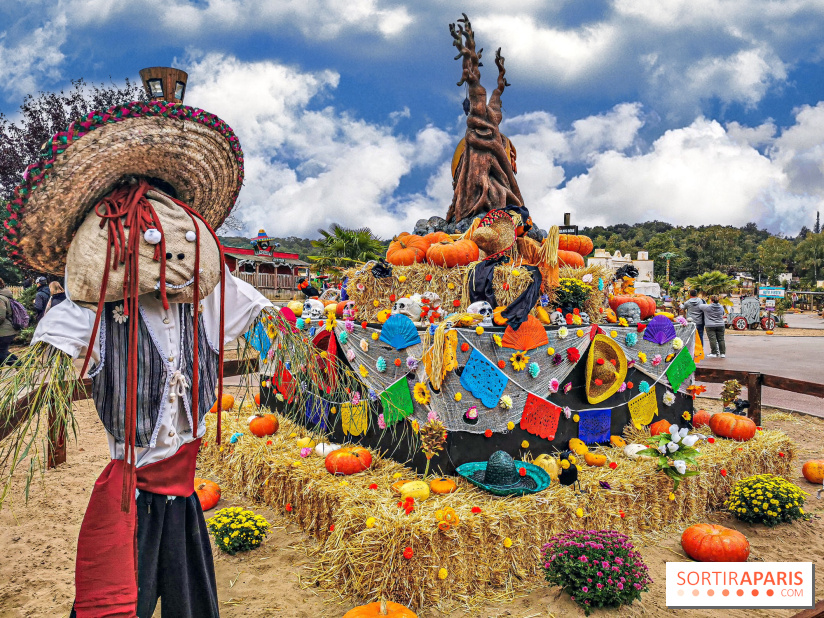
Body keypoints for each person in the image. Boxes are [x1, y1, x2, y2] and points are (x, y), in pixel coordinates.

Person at [5, 92, 260, 617]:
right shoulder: (94, 307)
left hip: (186, 486)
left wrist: (314, 341)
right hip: (134, 492)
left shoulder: (206, 292)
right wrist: (32, 382)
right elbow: (49, 351)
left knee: (191, 600)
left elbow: (272, 326)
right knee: (126, 598)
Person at [0, 278, 19, 366]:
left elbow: (1, 316)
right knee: (3, 351)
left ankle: (19, 365)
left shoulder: (0, 298)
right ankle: (20, 364)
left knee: (1, 355)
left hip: (4, 332)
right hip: (7, 330)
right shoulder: (4, 295)